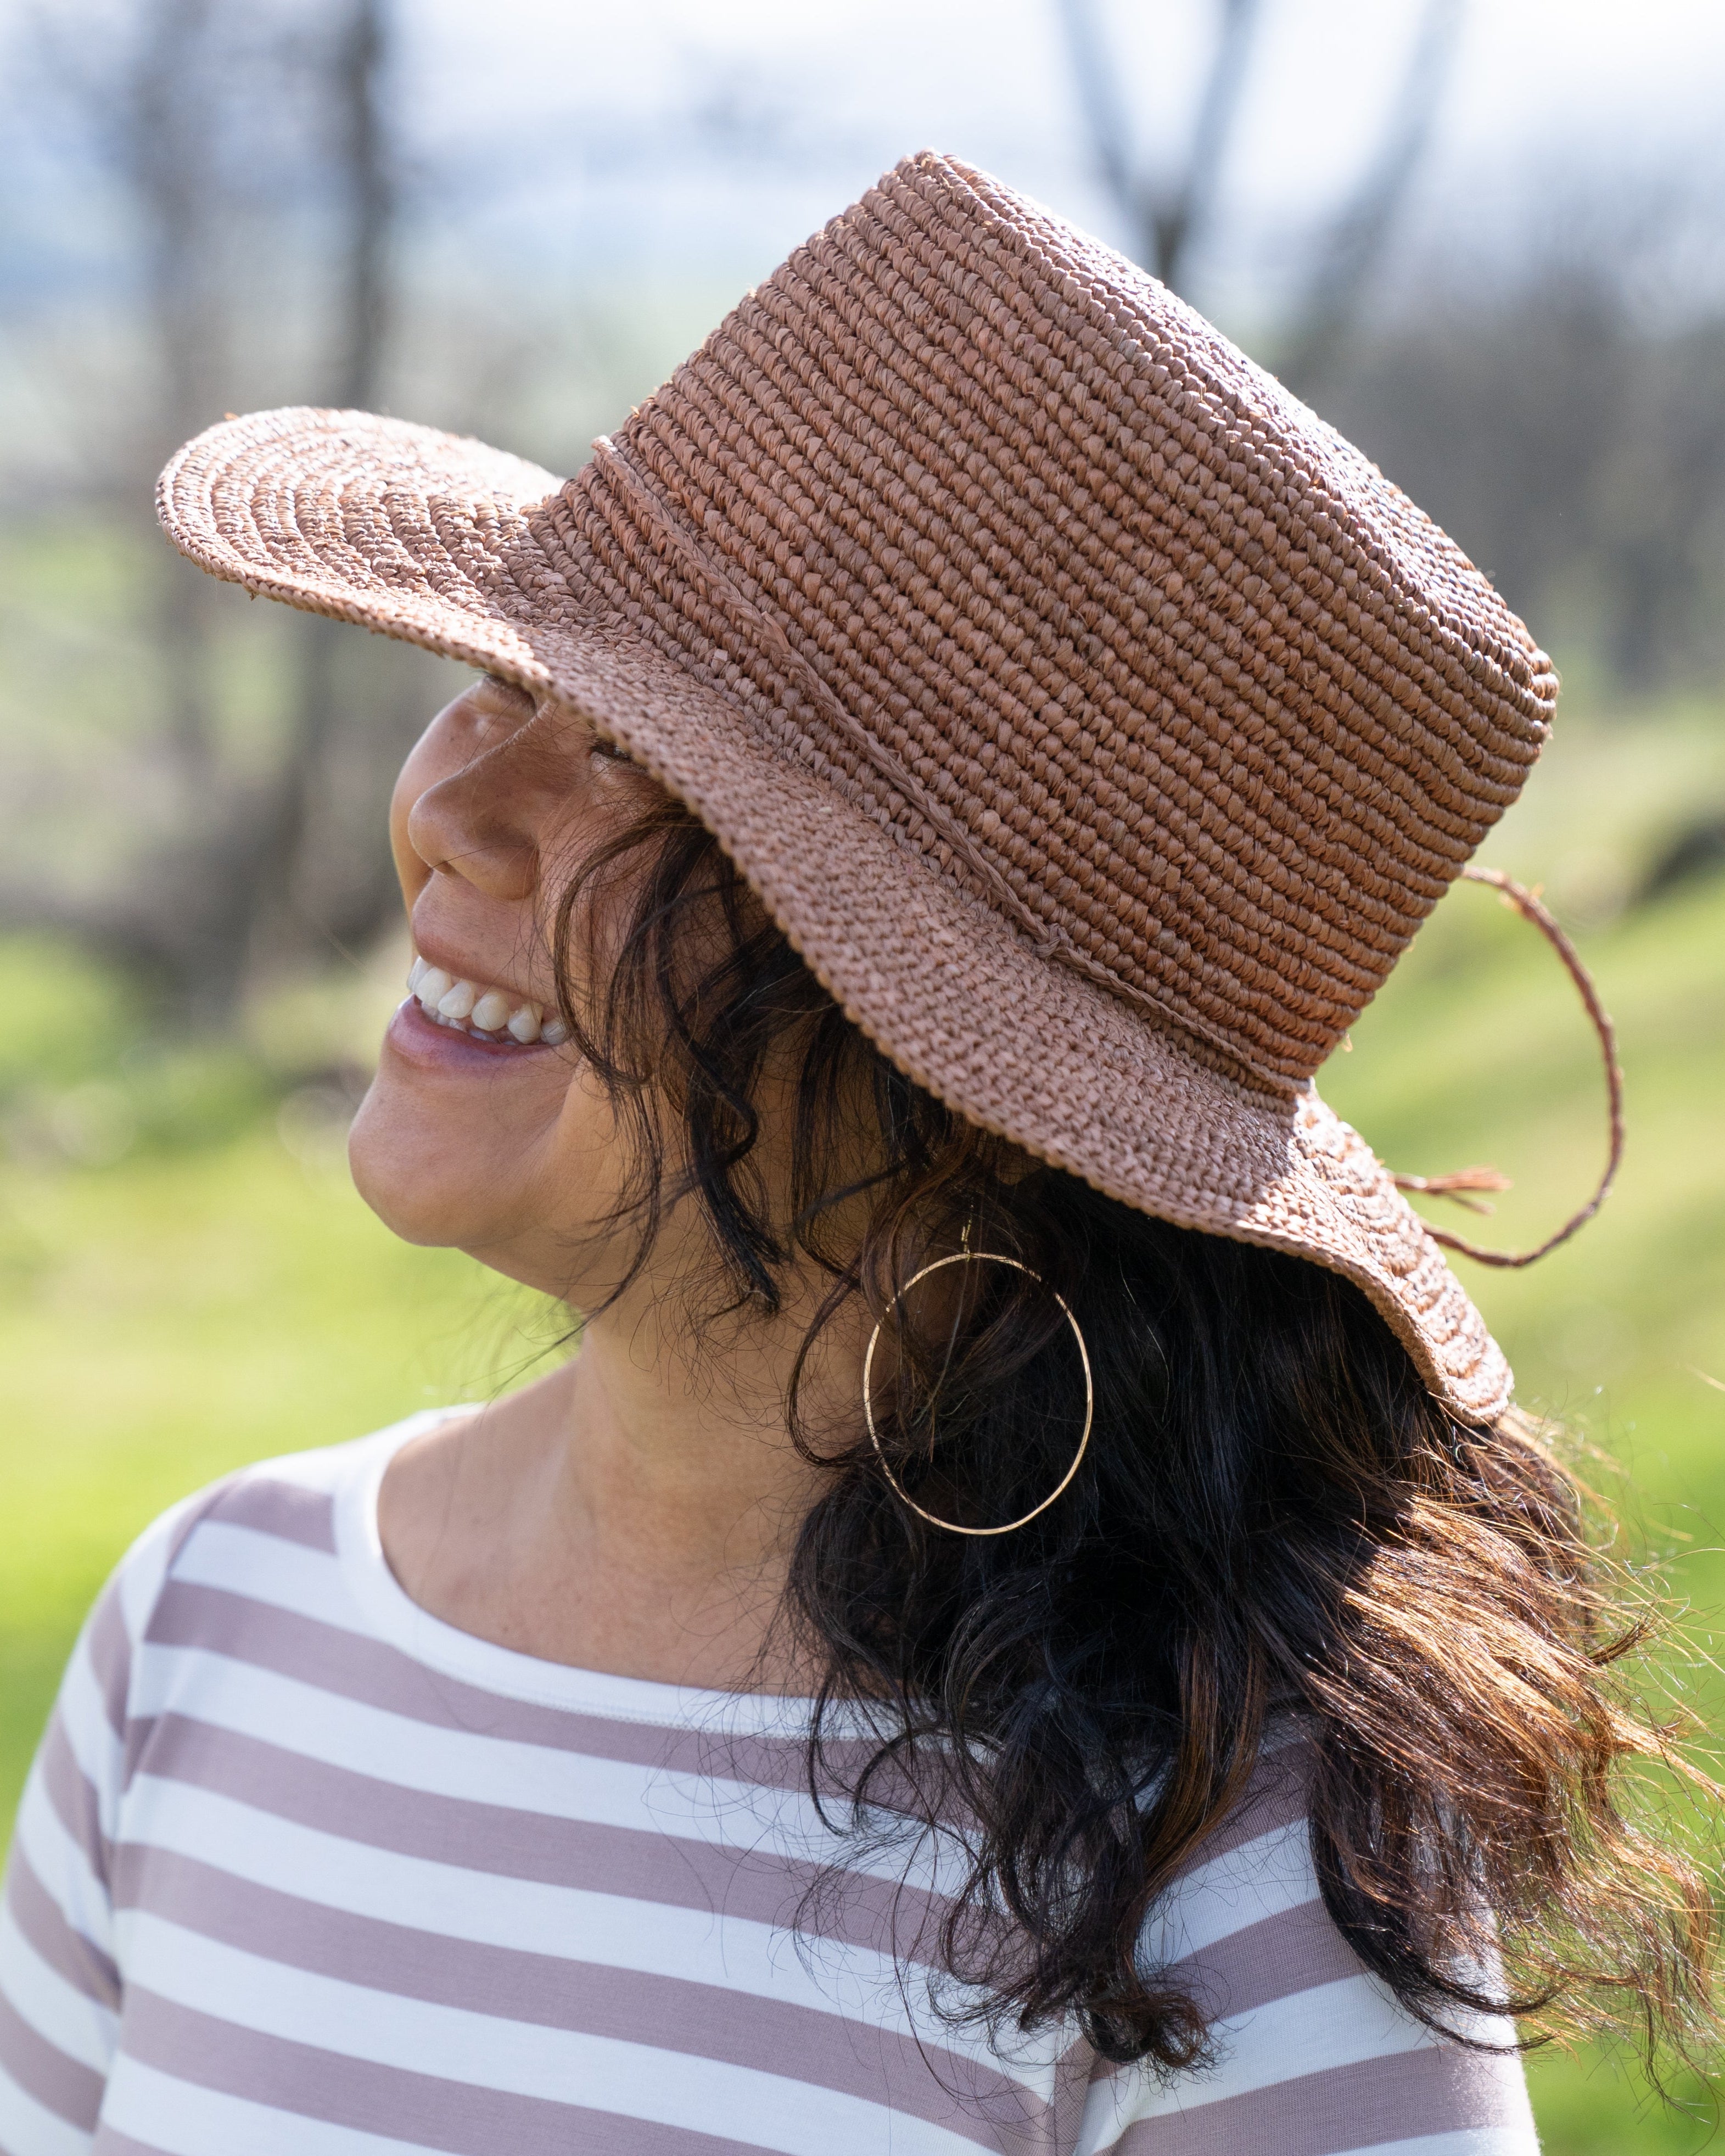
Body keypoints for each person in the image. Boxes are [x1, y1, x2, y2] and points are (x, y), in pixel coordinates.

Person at [0, 152, 1709, 2156]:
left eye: (635, 758)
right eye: (499, 677)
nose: (456, 801)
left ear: (979, 1077)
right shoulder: (211, 1627)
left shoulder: (1221, 1890)